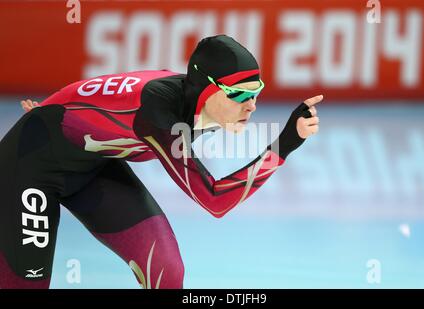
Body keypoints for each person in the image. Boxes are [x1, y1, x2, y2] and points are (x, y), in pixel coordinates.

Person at [0, 34, 321, 289]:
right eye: (239, 95)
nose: (251, 106)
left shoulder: (197, 101)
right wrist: (284, 145)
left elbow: (99, 90)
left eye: (256, 93)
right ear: (208, 90)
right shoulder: (159, 116)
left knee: (167, 273)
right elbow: (215, 200)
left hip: (93, 167)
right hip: (31, 166)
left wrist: (54, 106)